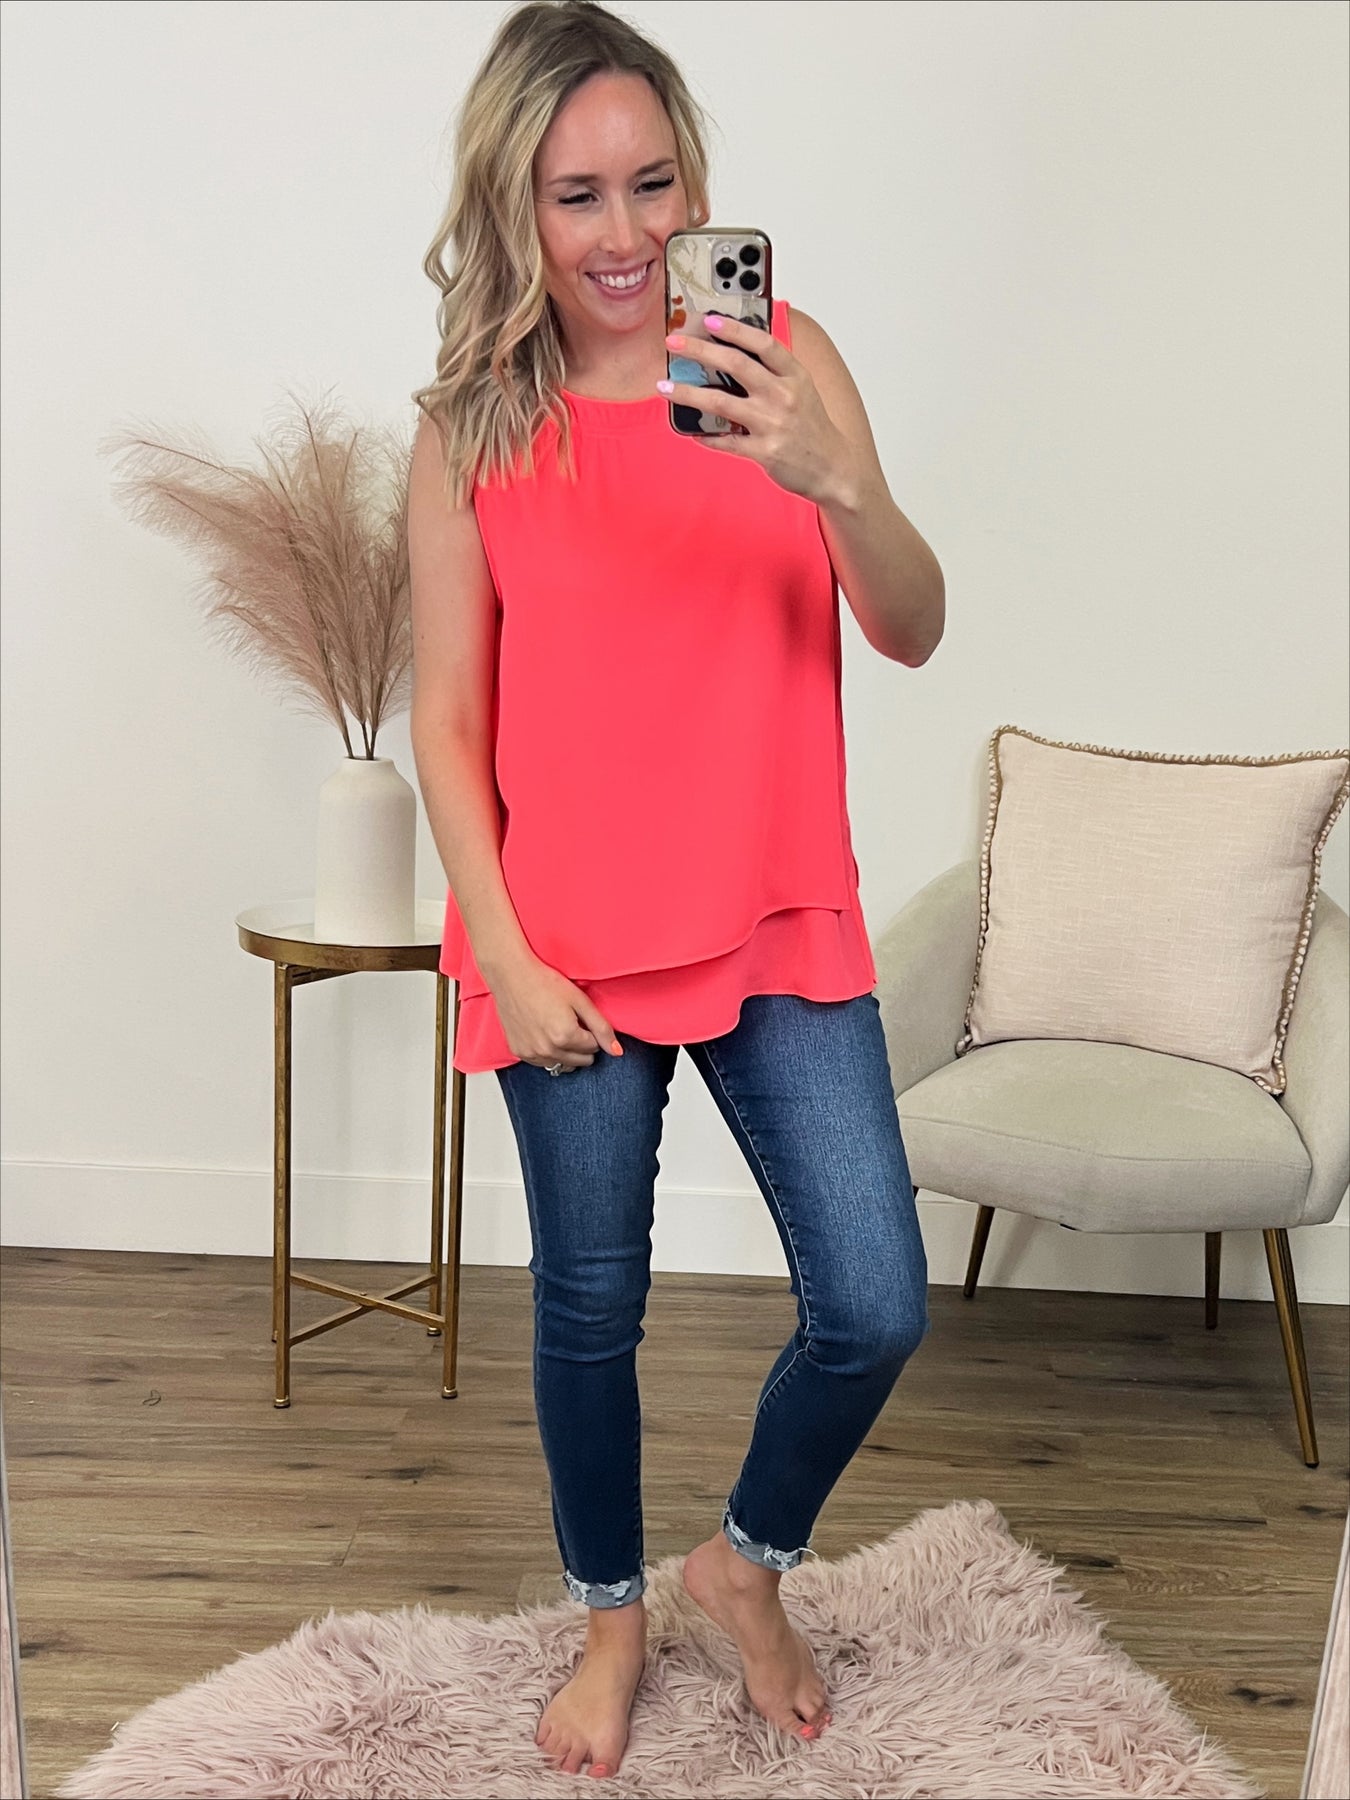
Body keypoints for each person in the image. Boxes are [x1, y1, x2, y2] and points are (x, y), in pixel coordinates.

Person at [408, 0, 945, 1782]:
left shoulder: (781, 358)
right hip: (561, 938)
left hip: (776, 908)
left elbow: (912, 625)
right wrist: (500, 948)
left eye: (653, 182)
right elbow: (447, 719)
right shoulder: (471, 429)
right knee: (589, 1308)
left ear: (694, 182)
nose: (626, 232)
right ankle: (612, 1625)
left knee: (873, 1299)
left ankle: (742, 1562)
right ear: (515, 208)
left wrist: (834, 478)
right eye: (577, 195)